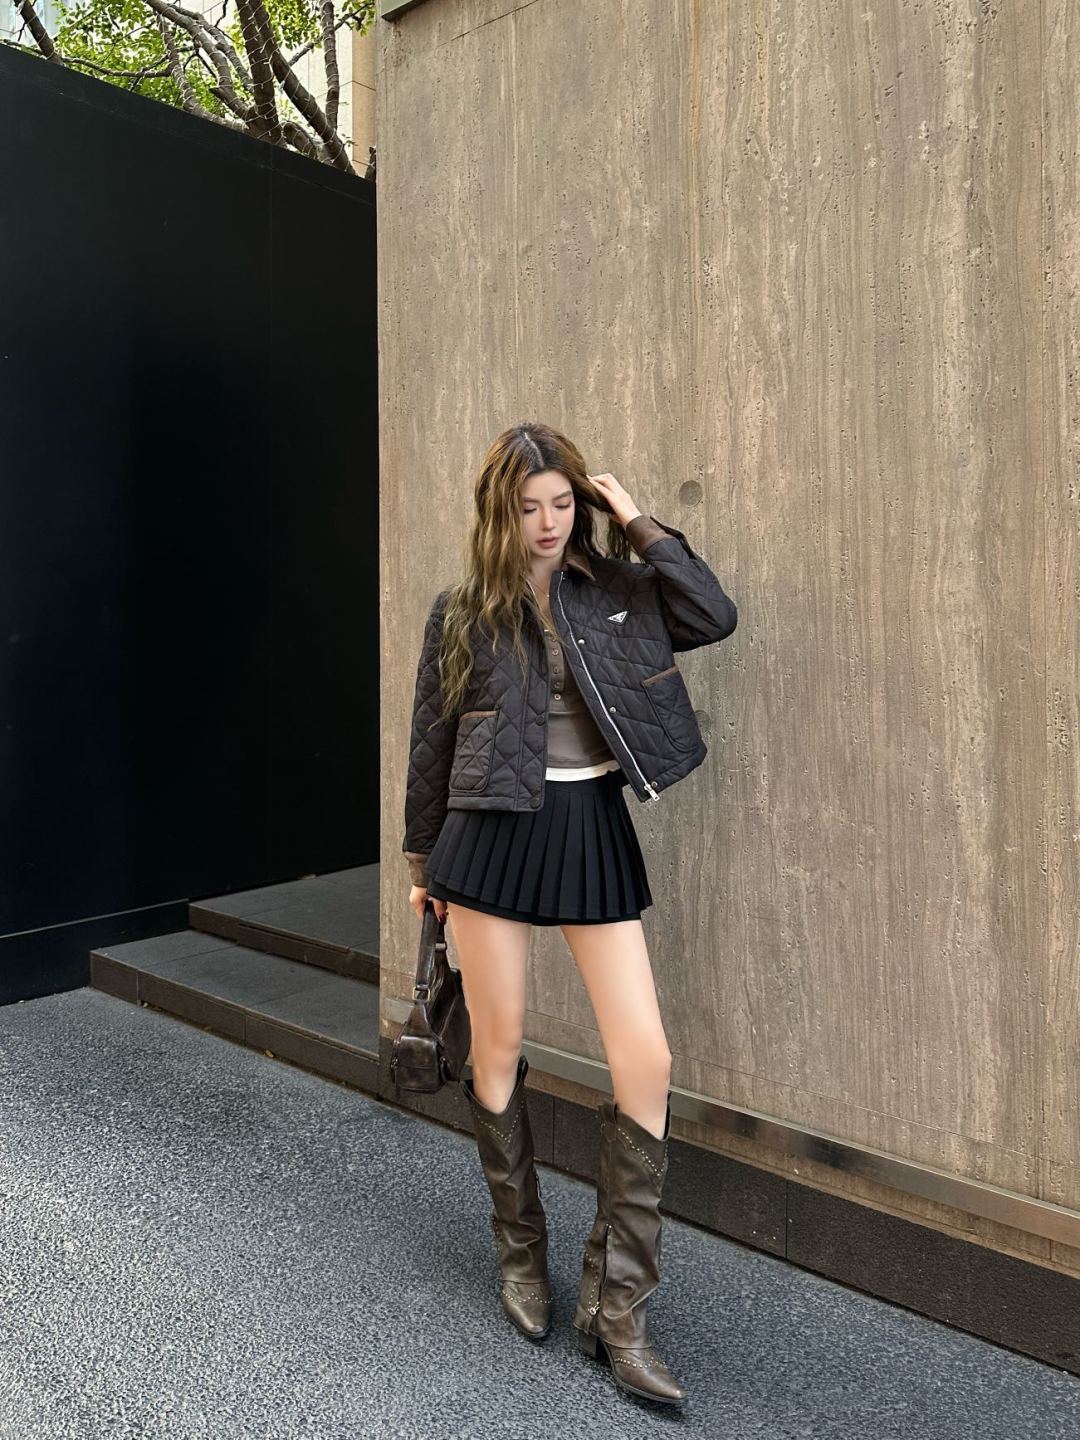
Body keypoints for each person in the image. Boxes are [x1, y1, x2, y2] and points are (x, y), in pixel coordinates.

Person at [401, 421, 737, 1411]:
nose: (547, 524)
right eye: (528, 507)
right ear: (498, 513)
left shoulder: (615, 589)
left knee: (647, 1059)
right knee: (497, 1045)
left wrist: (634, 518)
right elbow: (430, 739)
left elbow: (712, 614)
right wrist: (422, 863)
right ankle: (521, 1252)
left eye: (562, 504)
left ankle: (617, 1305)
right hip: (487, 833)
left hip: (589, 825)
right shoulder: (462, 609)